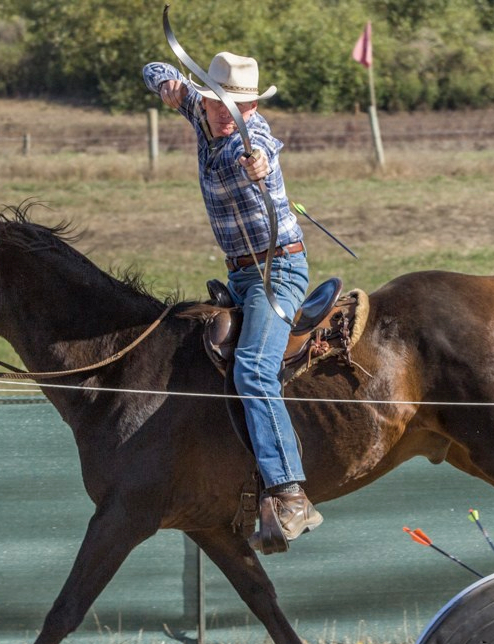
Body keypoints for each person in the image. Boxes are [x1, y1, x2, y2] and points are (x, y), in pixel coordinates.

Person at [143, 52, 322, 552]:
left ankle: (289, 492)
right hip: (240, 275)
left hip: (276, 270)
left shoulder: (254, 137)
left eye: (237, 106)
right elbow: (154, 67)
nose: (226, 114)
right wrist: (170, 87)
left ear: (251, 107)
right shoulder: (200, 113)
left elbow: (263, 156)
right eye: (217, 103)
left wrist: (261, 167)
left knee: (253, 370)